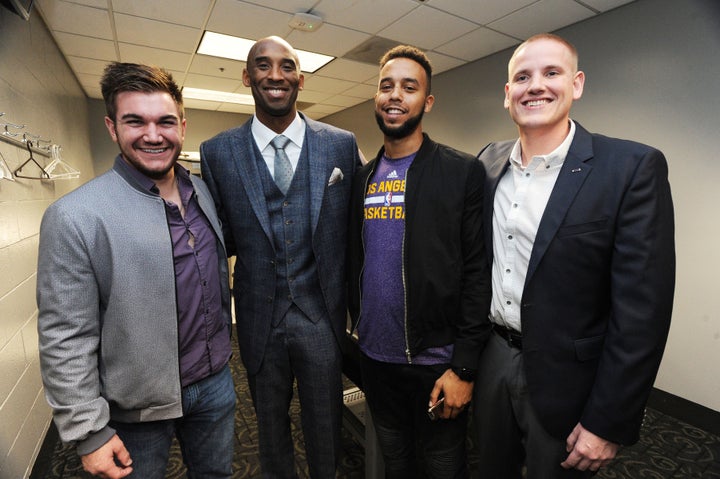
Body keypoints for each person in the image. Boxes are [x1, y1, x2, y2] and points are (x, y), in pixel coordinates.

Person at [473, 33, 675, 478]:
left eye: (551, 73)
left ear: (577, 84)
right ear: (508, 95)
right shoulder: (488, 163)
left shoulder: (630, 168)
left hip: (570, 380)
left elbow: (642, 313)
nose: (535, 86)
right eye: (522, 77)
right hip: (493, 359)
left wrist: (608, 422)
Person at [36, 62, 235, 479]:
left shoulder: (201, 191)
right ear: (112, 127)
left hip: (214, 384)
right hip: (137, 410)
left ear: (182, 125)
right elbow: (64, 335)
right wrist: (89, 432)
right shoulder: (75, 216)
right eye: (135, 121)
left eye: (165, 121)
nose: (152, 134)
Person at [200, 36, 360, 478]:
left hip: (321, 319)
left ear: (301, 79)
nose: (275, 75)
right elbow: (218, 241)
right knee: (270, 432)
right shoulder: (218, 153)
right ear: (247, 76)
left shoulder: (340, 145)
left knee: (326, 429)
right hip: (257, 319)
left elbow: (358, 230)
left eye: (286, 66)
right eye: (263, 65)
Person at [346, 45, 492, 478]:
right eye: (386, 86)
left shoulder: (460, 172)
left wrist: (463, 367)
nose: (395, 95)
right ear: (376, 97)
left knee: (443, 466)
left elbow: (476, 273)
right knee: (396, 463)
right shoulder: (362, 178)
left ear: (426, 102)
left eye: (409, 88)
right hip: (375, 360)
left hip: (436, 363)